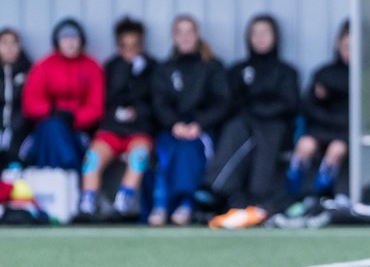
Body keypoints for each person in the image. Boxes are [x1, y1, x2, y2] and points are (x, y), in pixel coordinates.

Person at [205, 14, 300, 229]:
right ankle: (237, 198)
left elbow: (289, 104)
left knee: (264, 131)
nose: (260, 38)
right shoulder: (237, 71)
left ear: (275, 36)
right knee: (238, 129)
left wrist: (259, 109)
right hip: (246, 127)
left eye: (265, 32)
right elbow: (231, 103)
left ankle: (249, 197)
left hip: (276, 130)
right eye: (255, 33)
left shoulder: (286, 72)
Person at [149, 15, 229, 226]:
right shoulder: (165, 69)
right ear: (174, 37)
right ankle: (162, 204)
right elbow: (159, 102)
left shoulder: (212, 67)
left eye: (189, 32)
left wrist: (199, 124)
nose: (184, 37)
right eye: (180, 32)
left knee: (189, 149)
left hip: (202, 131)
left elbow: (222, 102)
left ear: (197, 35)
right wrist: (174, 124)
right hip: (172, 129)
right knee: (167, 150)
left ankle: (186, 203)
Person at [78, 17, 157, 220]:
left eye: (135, 45)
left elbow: (156, 103)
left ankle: (123, 204)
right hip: (112, 130)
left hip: (139, 131)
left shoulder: (152, 68)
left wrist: (137, 110)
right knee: (92, 159)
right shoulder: (111, 67)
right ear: (118, 46)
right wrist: (125, 70)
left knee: (139, 157)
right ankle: (87, 204)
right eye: (125, 46)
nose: (130, 51)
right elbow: (106, 98)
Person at [20, 18, 104, 170]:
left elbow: (96, 105)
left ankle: (59, 178)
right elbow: (31, 102)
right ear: (57, 41)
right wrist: (52, 112)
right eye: (65, 38)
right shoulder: (44, 66)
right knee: (54, 128)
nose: (70, 42)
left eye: (74, 38)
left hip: (79, 129)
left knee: (59, 134)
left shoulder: (92, 67)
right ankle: (70, 169)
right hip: (47, 126)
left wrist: (74, 118)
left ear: (81, 40)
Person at [287, 20, 350, 199]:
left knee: (336, 149)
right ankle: (293, 190)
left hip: (345, 133)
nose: (349, 52)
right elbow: (308, 106)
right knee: (305, 145)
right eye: (346, 46)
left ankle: (321, 190)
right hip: (321, 129)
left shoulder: (365, 75)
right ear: (338, 44)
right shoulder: (325, 73)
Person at [0, 28, 33, 169]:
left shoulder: (29, 70)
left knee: (17, 155)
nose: (9, 48)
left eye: (14, 43)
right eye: (4, 43)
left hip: (22, 128)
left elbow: (32, 103)